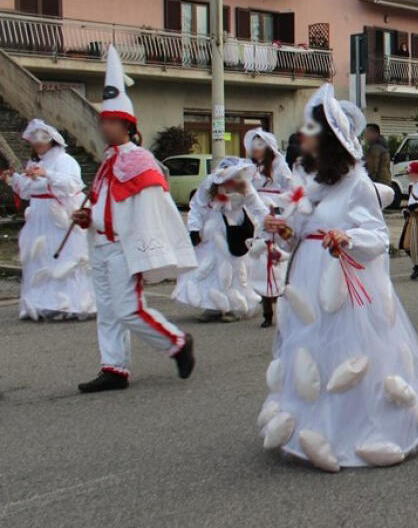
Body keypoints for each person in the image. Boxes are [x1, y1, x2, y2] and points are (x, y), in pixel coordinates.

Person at [259, 83, 418, 472]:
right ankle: (309, 425)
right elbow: (300, 232)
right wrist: (284, 230)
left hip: (345, 280)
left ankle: (351, 431)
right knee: (311, 350)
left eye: (312, 133)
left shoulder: (357, 184)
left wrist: (347, 237)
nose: (305, 140)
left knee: (349, 353)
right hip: (309, 279)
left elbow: (375, 235)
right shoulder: (315, 183)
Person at [73, 47, 197, 393]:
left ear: (126, 125)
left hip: (125, 248)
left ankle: (176, 341)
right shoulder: (107, 162)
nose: (104, 125)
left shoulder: (140, 161)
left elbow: (153, 208)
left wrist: (148, 249)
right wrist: (89, 217)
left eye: (110, 120)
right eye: (103, 119)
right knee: (109, 311)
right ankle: (114, 367)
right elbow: (106, 204)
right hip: (101, 244)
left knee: (128, 310)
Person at [1, 119, 95, 321]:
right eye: (34, 138)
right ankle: (42, 303)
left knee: (65, 258)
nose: (38, 142)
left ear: (52, 140)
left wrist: (48, 174)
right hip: (39, 217)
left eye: (43, 138)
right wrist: (13, 180)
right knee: (39, 258)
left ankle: (71, 303)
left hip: (59, 215)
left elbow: (73, 184)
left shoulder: (65, 160)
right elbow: (28, 191)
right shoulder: (35, 163)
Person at [172, 157, 263, 322]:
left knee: (234, 269)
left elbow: (258, 208)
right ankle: (212, 306)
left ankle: (235, 307)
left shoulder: (245, 188)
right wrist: (194, 229)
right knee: (208, 267)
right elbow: (197, 206)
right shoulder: (209, 185)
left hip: (235, 230)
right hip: (212, 231)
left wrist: (268, 224)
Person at [242, 128, 294, 328]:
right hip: (259, 218)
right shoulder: (252, 168)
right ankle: (267, 308)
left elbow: (290, 191)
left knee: (279, 259)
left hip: (278, 217)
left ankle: (282, 300)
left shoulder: (280, 165)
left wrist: (281, 212)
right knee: (262, 261)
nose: (255, 150)